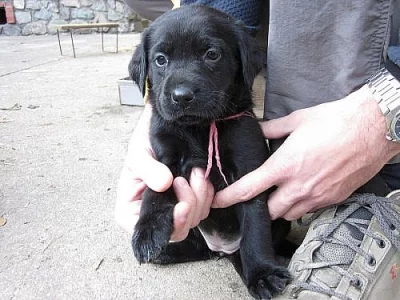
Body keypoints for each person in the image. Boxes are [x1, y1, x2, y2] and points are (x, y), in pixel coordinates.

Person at [117, 1, 400, 299]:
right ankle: (202, 245)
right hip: (206, 222)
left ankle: (378, 193)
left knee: (259, 199)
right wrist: (153, 208)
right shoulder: (164, 114)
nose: (182, 89)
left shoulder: (240, 125)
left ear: (244, 64)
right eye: (161, 60)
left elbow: (254, 197)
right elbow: (163, 173)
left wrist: (386, 104)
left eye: (211, 55)